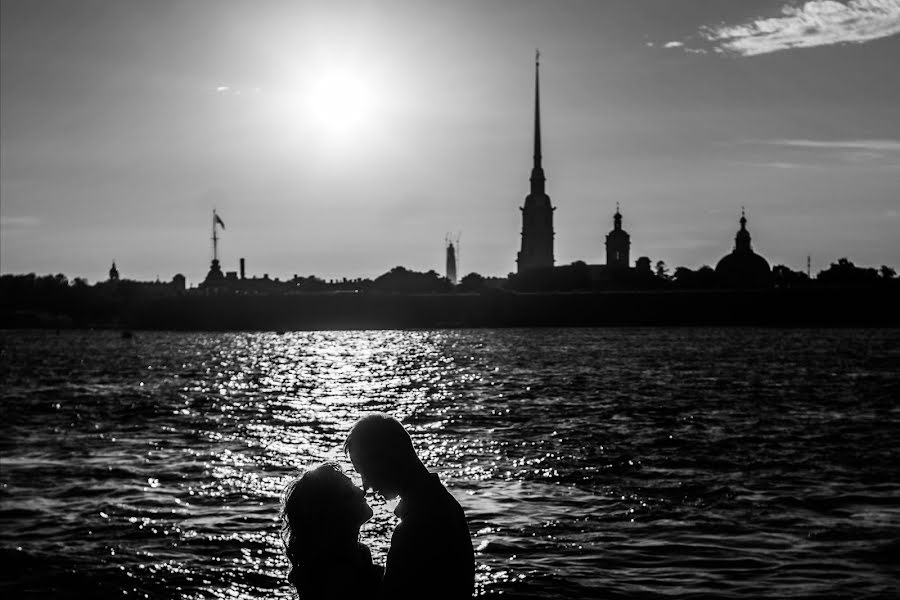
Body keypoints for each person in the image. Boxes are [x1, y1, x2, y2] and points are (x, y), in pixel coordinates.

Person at [344, 413, 474, 599]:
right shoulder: (446, 507)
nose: (366, 486)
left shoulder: (415, 527)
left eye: (365, 470)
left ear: (386, 458)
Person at [280, 462, 382, 599]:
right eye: (349, 493)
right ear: (332, 512)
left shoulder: (360, 554)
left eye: (353, 485)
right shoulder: (329, 577)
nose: (361, 491)